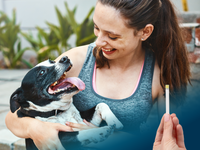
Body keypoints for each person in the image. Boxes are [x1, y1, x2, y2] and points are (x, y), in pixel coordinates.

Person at [5, 0, 190, 149]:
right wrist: (35, 128)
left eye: (112, 36)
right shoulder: (76, 61)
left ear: (145, 32)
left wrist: (107, 136)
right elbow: (13, 117)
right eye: (96, 28)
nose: (99, 42)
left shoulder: (159, 76)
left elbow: (166, 141)